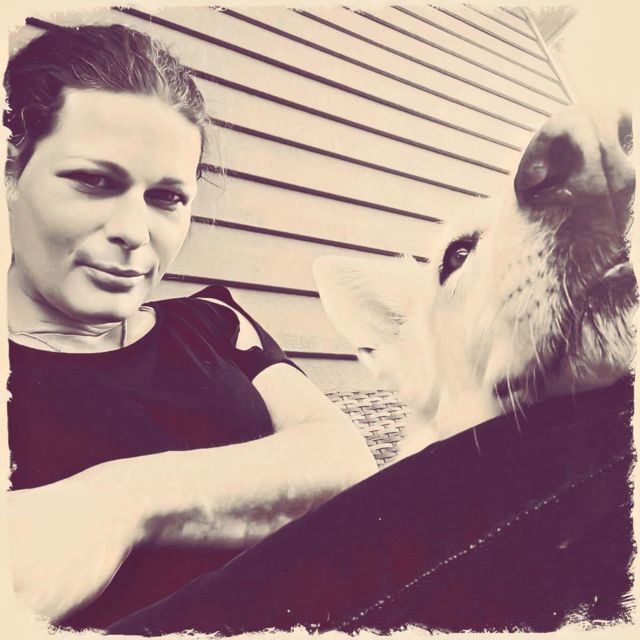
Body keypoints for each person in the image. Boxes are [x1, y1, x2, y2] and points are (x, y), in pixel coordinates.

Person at [4, 23, 377, 628]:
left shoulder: (213, 322)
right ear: (10, 173)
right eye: (94, 182)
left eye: (167, 198)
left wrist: (121, 503)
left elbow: (344, 461)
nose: (134, 231)